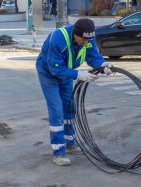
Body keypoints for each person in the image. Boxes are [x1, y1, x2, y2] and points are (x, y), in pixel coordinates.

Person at [35, 17, 111, 165]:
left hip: (66, 73)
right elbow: (55, 69)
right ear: (75, 34)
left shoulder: (88, 37)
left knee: (70, 107)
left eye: (88, 40)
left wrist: (103, 64)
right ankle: (59, 152)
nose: (86, 42)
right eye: (83, 39)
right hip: (49, 74)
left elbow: (92, 55)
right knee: (57, 110)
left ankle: (70, 144)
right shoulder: (58, 39)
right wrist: (78, 75)